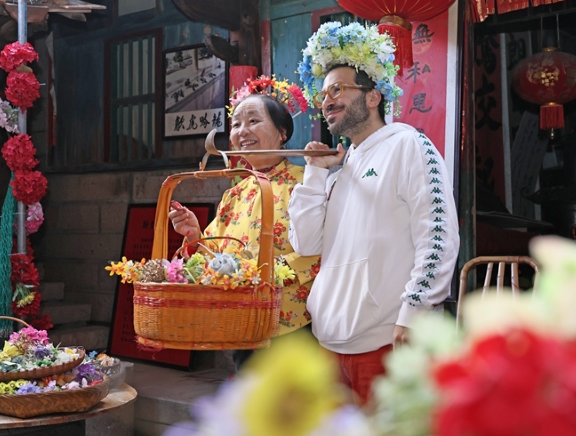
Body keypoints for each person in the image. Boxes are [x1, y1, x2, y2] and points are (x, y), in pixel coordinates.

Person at [289, 22, 459, 404]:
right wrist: (315, 172)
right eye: (323, 94)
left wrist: (414, 310)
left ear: (372, 97)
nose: (327, 101)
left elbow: (438, 234)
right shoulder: (339, 167)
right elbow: (305, 241)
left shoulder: (408, 145)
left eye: (338, 89)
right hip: (328, 341)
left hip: (387, 338)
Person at [169, 76, 320, 369]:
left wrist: (263, 276)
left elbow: (323, 249)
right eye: (236, 125)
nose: (242, 131)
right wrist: (193, 235)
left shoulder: (306, 183)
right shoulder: (234, 194)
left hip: (293, 322)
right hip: (242, 324)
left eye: (253, 121)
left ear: (282, 132)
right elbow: (216, 257)